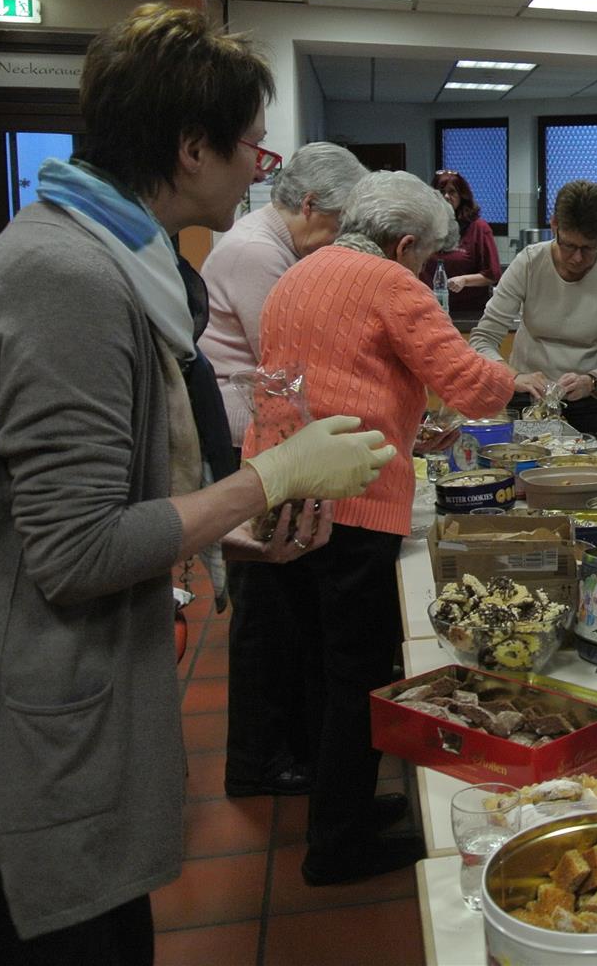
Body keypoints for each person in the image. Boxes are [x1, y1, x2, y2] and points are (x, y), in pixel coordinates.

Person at [0, 3, 394, 962]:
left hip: (80, 702)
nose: (262, 168)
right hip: (38, 732)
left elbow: (111, 499)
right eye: (254, 145)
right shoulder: (65, 277)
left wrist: (223, 529)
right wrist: (267, 478)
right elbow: (76, 550)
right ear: (192, 146)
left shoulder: (110, 256)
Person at [245, 171, 549, 886]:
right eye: (430, 257)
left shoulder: (302, 272)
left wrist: (410, 423)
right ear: (405, 243)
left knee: (323, 669)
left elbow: (334, 377)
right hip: (352, 503)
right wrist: (521, 382)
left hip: (288, 492)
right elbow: (470, 382)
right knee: (360, 675)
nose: (430, 269)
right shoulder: (391, 282)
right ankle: (338, 844)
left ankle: (337, 808)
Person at [201, 140, 369, 799]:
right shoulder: (256, 252)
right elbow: (292, 357)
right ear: (308, 206)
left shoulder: (269, 245)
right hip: (245, 439)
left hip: (257, 438)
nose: (336, 242)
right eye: (336, 225)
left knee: (279, 611)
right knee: (265, 615)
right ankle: (258, 759)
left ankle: (278, 747)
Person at [471, 179, 597, 436]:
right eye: (569, 245)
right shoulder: (529, 263)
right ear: (554, 226)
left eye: (590, 247)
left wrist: (592, 381)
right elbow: (482, 340)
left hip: (594, 403)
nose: (578, 258)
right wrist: (513, 377)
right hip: (528, 399)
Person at [422, 169, 501, 316]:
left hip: (467, 312)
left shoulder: (478, 228)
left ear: (461, 196)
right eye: (441, 192)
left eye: (452, 192)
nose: (446, 197)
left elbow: (492, 274)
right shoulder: (425, 227)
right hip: (429, 310)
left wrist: (465, 280)